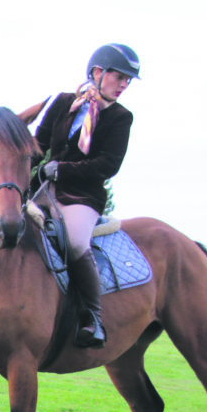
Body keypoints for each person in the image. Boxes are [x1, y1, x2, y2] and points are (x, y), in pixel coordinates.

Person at [32, 43, 140, 349]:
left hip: (81, 196)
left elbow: (108, 165)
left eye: (127, 80)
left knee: (77, 243)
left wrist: (61, 169)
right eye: (120, 77)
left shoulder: (120, 117)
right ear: (97, 72)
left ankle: (93, 318)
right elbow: (38, 144)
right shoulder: (64, 102)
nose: (124, 85)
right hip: (42, 189)